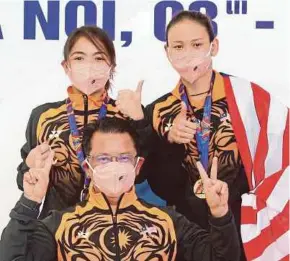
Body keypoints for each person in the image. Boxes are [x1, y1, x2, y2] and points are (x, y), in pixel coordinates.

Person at [137, 10, 289, 261]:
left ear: (214, 46)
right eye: (178, 46)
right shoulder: (158, 111)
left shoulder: (249, 98)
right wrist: (169, 142)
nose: (188, 54)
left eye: (197, 44)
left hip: (245, 230)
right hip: (187, 236)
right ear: (167, 52)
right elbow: (159, 186)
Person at [0, 118, 240, 261]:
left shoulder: (169, 221)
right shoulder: (58, 225)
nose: (114, 166)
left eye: (123, 157)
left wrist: (220, 214)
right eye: (103, 159)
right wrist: (30, 201)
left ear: (138, 166)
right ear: (87, 166)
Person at [16, 25, 152, 218]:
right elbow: (24, 182)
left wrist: (140, 121)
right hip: (55, 227)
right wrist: (30, 166)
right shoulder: (43, 116)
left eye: (98, 58)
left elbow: (145, 175)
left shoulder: (126, 112)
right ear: (66, 66)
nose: (89, 66)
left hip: (115, 225)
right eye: (79, 58)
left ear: (111, 66)